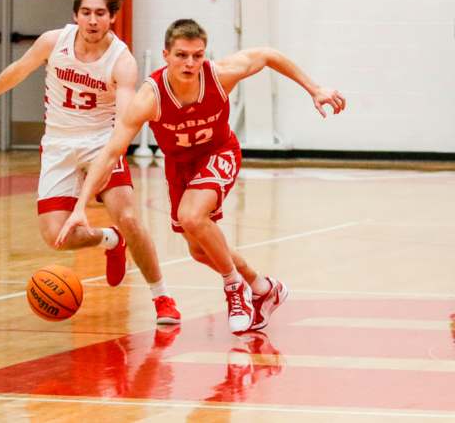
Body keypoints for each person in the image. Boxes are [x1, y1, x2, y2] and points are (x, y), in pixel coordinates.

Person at [58, 19, 346, 333]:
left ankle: (234, 288)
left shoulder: (219, 76)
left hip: (219, 152)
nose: (190, 63)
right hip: (180, 166)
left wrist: (315, 88)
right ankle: (263, 287)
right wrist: (79, 208)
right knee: (198, 250)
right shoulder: (149, 98)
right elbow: (111, 152)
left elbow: (268, 55)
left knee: (192, 216)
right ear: (166, 55)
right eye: (182, 55)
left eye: (197, 55)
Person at [0, 0, 181, 324]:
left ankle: (162, 297)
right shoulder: (54, 42)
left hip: (101, 143)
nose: (92, 20)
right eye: (86, 12)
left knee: (129, 217)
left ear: (112, 17)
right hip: (59, 144)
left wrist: (90, 192)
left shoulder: (122, 61)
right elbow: (18, 70)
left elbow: (123, 127)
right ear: (76, 14)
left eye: (100, 14)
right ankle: (110, 241)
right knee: (55, 237)